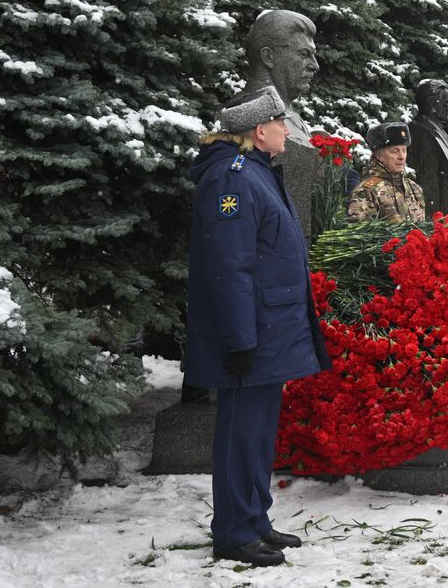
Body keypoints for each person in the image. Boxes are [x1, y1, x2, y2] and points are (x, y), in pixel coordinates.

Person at [185, 87, 330, 567]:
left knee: (259, 431)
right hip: (253, 332)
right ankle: (232, 532)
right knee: (240, 432)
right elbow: (230, 267)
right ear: (259, 130)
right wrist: (240, 340)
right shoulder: (234, 178)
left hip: (269, 327)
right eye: (281, 124)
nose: (287, 132)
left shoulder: (258, 172)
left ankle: (254, 520)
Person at [347, 122, 426, 225]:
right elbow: (360, 235)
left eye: (404, 150)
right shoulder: (367, 191)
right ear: (379, 156)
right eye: (395, 151)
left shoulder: (414, 188)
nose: (401, 156)